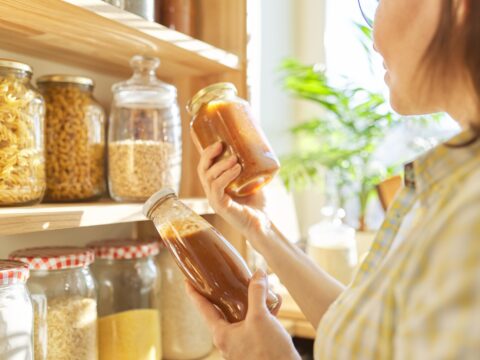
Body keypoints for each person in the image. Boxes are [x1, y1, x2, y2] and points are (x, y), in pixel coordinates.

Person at [185, 0, 480, 359]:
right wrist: (259, 226)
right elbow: (364, 337)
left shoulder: (469, 210)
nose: (372, 38)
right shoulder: (450, 187)